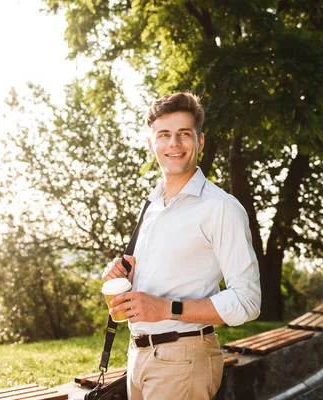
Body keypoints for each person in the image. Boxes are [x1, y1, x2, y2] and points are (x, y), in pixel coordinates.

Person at [102, 92, 261, 400]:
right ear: (152, 145)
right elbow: (155, 279)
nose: (173, 143)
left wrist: (165, 308)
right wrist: (121, 275)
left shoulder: (220, 208)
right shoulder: (151, 206)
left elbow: (248, 301)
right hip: (139, 357)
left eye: (183, 134)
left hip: (184, 358)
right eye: (164, 135)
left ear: (199, 142)